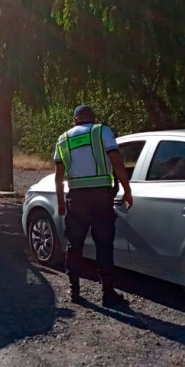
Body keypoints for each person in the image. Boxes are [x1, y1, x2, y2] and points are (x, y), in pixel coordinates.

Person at [54, 104, 133, 307]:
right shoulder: (102, 131)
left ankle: (74, 290)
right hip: (101, 198)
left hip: (76, 200)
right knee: (104, 245)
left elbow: (59, 176)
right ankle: (108, 293)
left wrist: (61, 202)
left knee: (74, 246)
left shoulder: (63, 139)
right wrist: (127, 189)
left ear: (75, 120)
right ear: (92, 117)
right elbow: (117, 162)